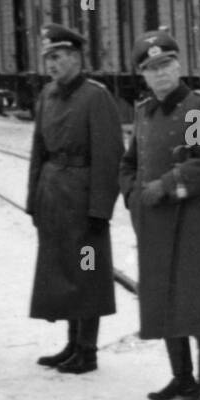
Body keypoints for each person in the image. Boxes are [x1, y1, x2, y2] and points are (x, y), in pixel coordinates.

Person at [119, 32, 200, 400]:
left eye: (165, 65)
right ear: (142, 75)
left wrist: (167, 184)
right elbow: (128, 164)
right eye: (151, 69)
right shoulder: (143, 112)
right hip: (156, 220)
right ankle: (182, 378)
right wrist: (132, 196)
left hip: (196, 218)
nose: (160, 74)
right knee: (164, 297)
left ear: (178, 66)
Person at [25, 24, 123, 375]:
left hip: (83, 200)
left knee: (87, 269)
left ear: (77, 58)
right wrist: (33, 199)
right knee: (62, 269)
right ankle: (70, 343)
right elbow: (38, 150)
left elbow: (110, 155)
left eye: (59, 56)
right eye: (48, 57)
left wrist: (100, 208)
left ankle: (87, 349)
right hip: (53, 196)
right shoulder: (47, 95)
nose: (52, 64)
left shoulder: (96, 97)